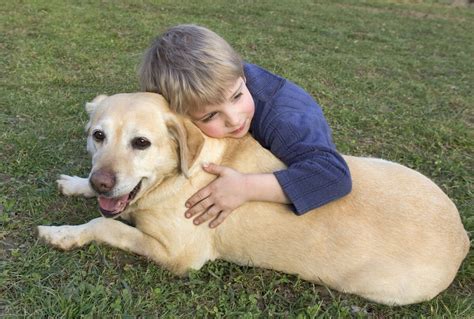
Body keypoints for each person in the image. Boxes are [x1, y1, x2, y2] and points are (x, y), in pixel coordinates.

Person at [139, 24, 351, 228]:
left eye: (237, 96)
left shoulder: (284, 123)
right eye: (211, 115)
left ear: (242, 75)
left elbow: (333, 176)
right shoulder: (222, 81)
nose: (233, 118)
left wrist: (245, 188)